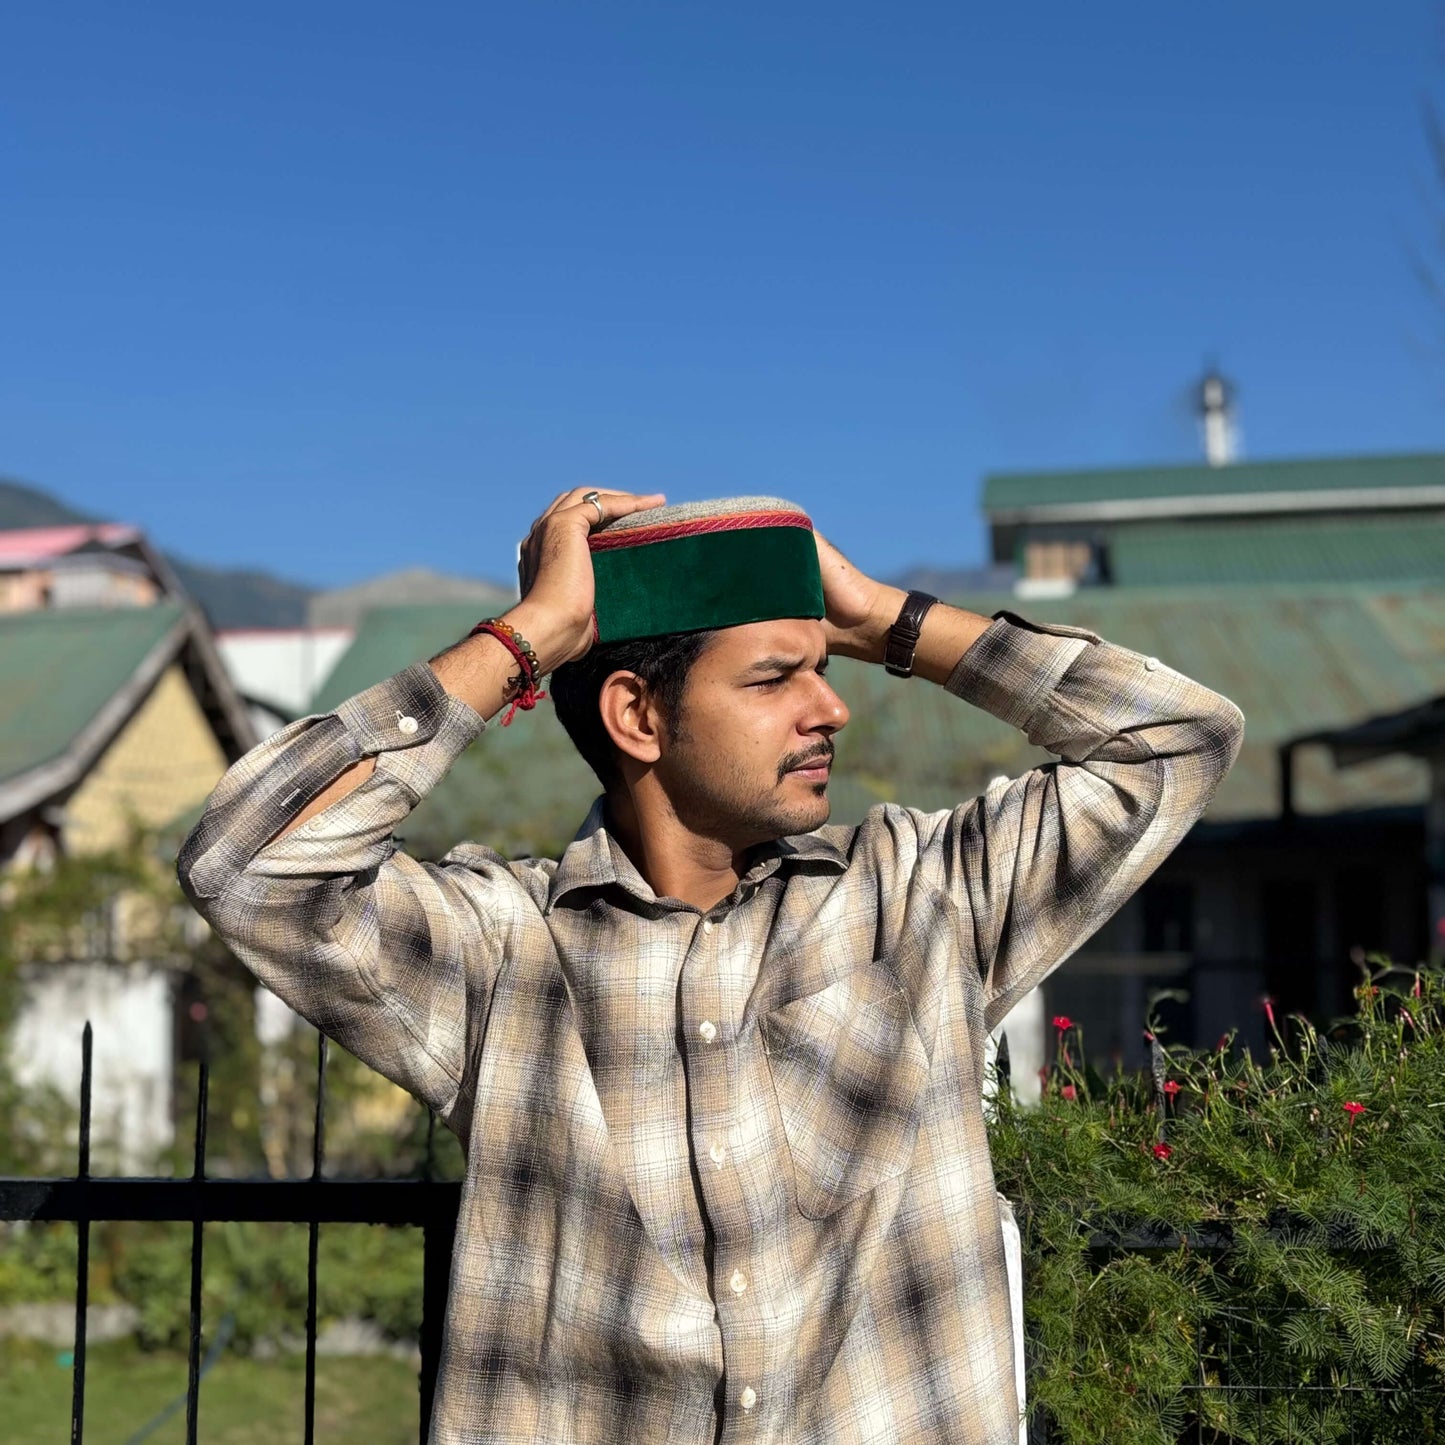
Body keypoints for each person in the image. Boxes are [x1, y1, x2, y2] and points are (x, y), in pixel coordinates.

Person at [177, 488, 1244, 1443]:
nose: (830, 707)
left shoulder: (922, 896)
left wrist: (884, 618)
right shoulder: (502, 952)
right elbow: (247, 862)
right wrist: (529, 635)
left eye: (823, 670)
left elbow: (1175, 739)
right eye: (777, 677)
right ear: (637, 715)